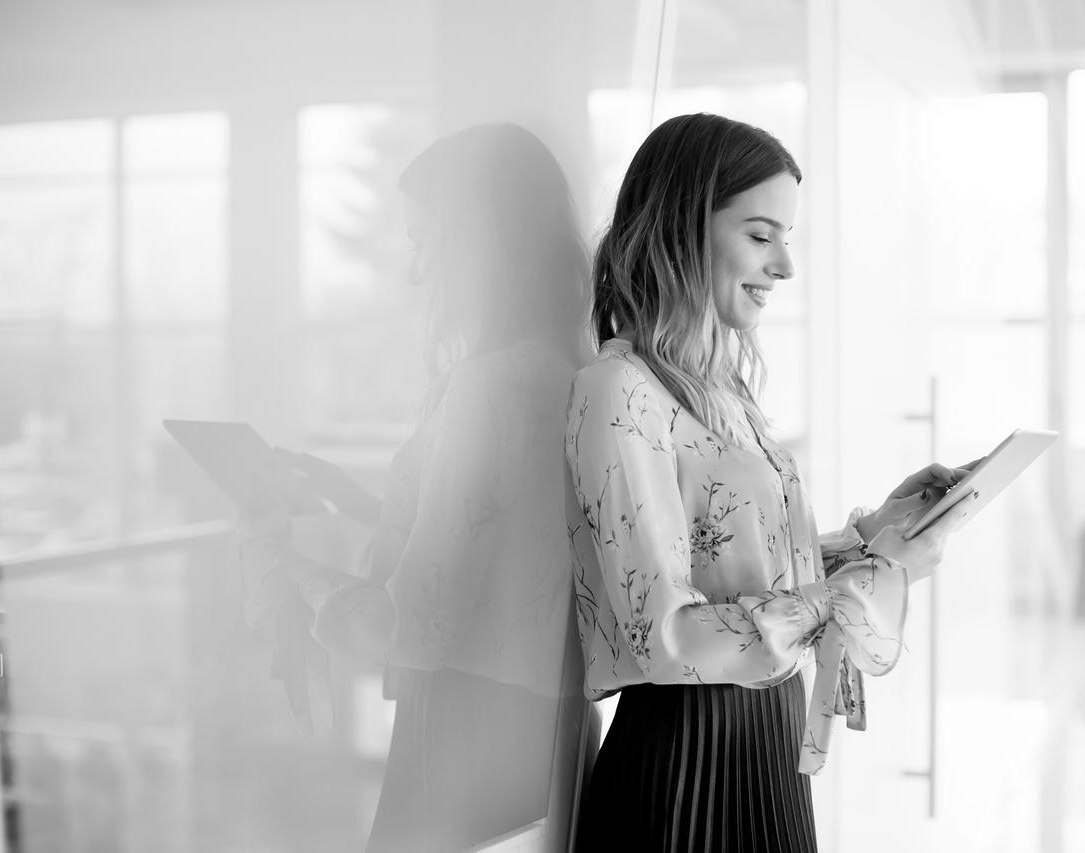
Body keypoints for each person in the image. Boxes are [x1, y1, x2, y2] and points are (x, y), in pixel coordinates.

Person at [564, 112, 979, 852]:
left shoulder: (722, 385)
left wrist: (869, 536)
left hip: (768, 747)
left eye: (786, 238)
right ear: (683, 230)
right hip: (684, 769)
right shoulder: (616, 391)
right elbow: (668, 634)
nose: (784, 266)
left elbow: (740, 574)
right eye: (761, 235)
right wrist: (871, 578)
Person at [236, 123, 594, 852]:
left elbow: (415, 625)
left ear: (477, 243)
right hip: (545, 729)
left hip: (464, 739)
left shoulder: (487, 387)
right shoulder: (571, 373)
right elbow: (505, 540)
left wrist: (288, 572)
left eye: (422, 240)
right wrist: (356, 496)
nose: (413, 271)